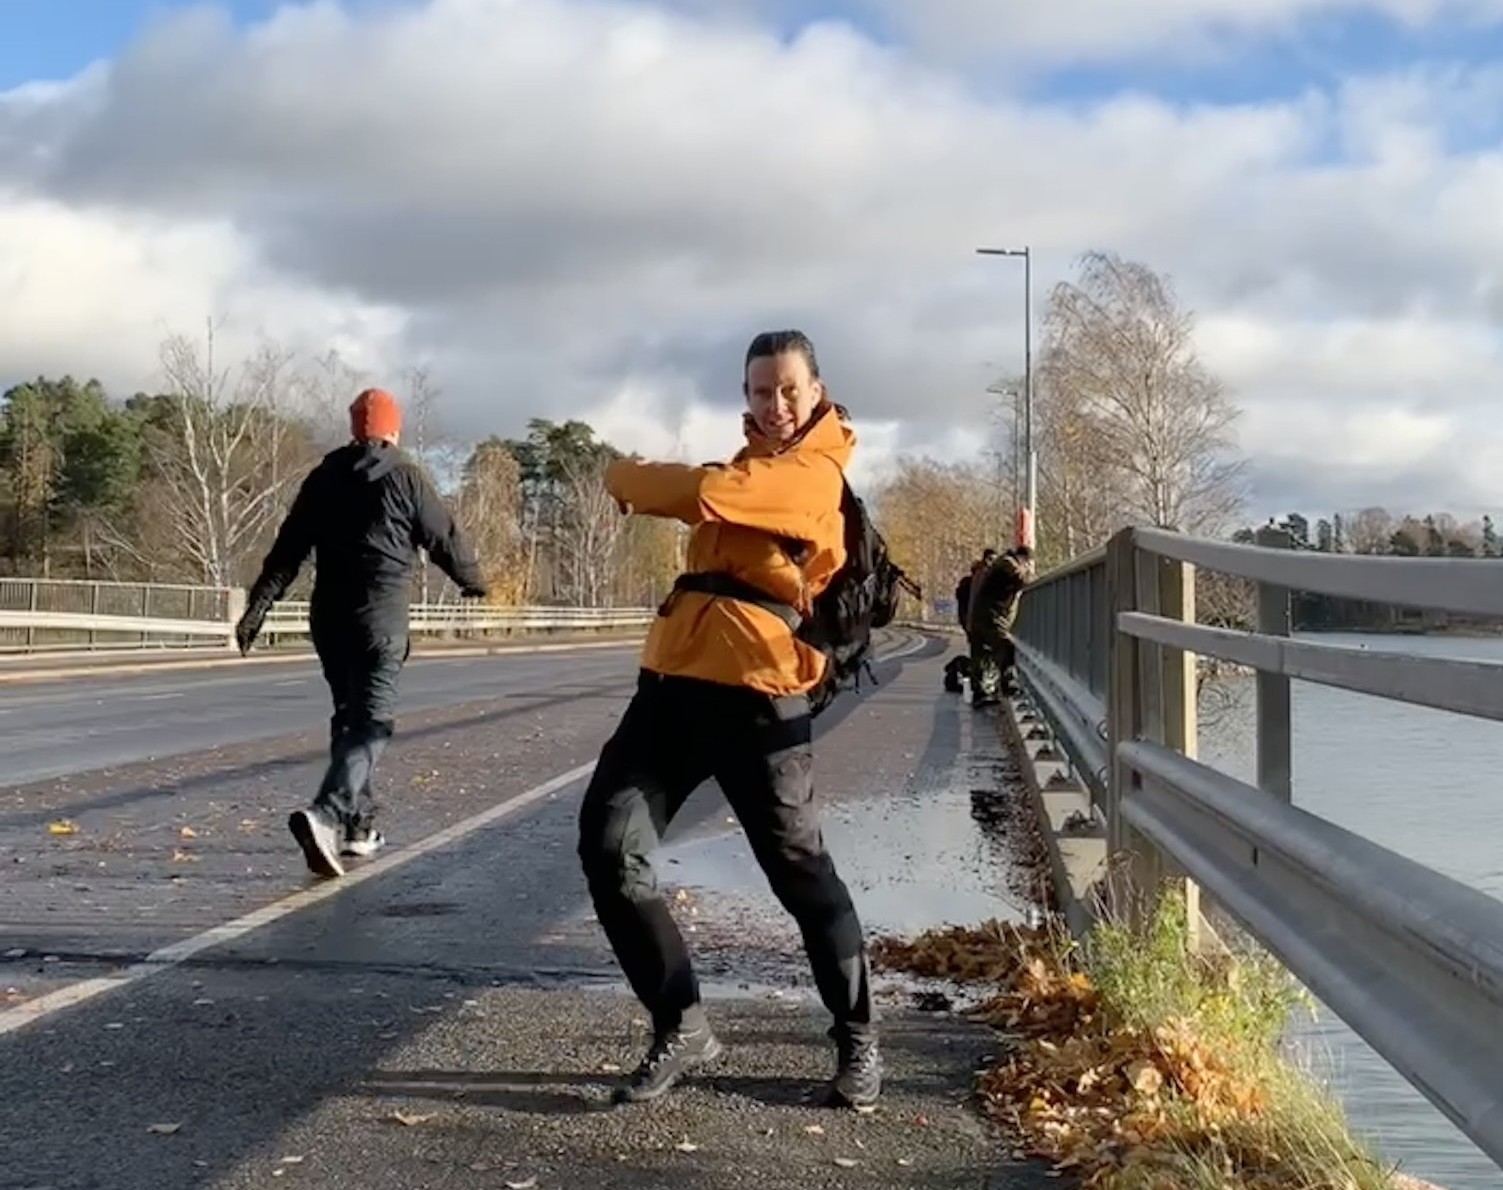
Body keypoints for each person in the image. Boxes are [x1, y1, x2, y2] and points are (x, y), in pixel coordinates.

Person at [576, 329, 880, 1111]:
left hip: (759, 695)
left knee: (798, 874)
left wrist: (630, 475)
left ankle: (857, 1038)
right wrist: (653, 478)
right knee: (609, 847)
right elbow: (706, 491)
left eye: (787, 390)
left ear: (816, 392)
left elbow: (701, 495)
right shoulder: (745, 467)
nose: (773, 405)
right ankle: (680, 1023)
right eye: (757, 391)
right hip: (674, 684)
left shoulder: (814, 476)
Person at [234, 387, 487, 878]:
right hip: (380, 619)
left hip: (329, 619)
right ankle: (327, 812)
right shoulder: (407, 477)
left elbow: (287, 551)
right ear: (393, 430)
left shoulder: (323, 478)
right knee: (372, 725)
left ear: (354, 429)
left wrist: (257, 608)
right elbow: (445, 537)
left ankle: (358, 827)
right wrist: (472, 580)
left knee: (349, 718)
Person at [967, 544, 1034, 706]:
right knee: (1006, 646)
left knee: (980, 654)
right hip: (990, 618)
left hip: (981, 616)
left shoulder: (1002, 562)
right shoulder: (1007, 563)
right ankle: (1006, 684)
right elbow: (1022, 579)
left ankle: (980, 692)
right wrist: (1029, 572)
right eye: (1027, 562)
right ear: (1023, 559)